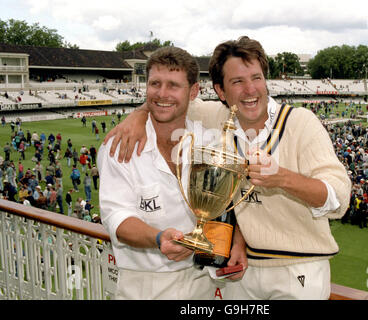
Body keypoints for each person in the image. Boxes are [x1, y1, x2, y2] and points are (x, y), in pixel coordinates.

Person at [103, 36, 351, 300]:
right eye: (237, 82)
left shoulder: (300, 122)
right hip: (239, 274)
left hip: (297, 269)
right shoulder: (217, 118)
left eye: (256, 78)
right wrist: (138, 115)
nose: (250, 89)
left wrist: (283, 178)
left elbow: (338, 199)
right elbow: (168, 99)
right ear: (221, 92)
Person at [98, 46, 243, 300]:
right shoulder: (120, 145)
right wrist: (158, 238)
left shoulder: (209, 143)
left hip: (200, 284)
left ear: (194, 91)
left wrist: (238, 241)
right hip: (142, 285)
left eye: (173, 85)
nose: (162, 94)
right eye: (155, 83)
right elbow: (117, 217)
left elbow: (228, 204)